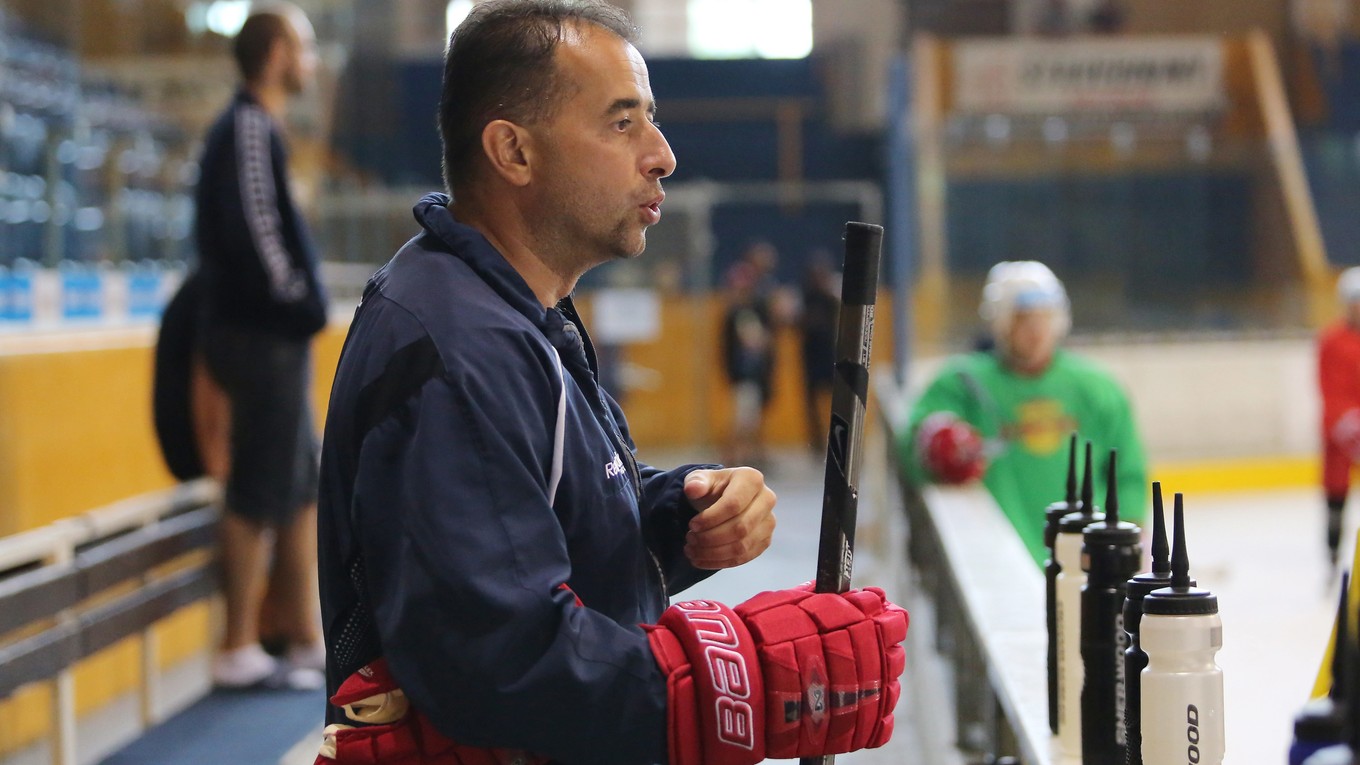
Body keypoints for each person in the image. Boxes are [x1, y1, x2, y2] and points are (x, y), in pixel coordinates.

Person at [314, 2, 908, 764]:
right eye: (622, 123)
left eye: (650, 120)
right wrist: (747, 676)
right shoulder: (459, 347)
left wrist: (677, 515)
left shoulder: (510, 309)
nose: (661, 154)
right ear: (513, 151)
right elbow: (503, 664)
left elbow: (534, 521)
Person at [194, 4, 329, 689]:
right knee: (256, 489)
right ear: (276, 54)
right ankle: (237, 643)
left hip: (276, 335)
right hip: (258, 334)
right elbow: (257, 230)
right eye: (303, 48)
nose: (310, 61)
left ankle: (304, 632)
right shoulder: (248, 125)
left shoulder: (262, 128)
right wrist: (299, 301)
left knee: (301, 481)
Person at [896, 261, 1147, 566]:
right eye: (1023, 319)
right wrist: (933, 442)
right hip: (995, 562)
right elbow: (913, 441)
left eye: (1045, 317)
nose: (1036, 330)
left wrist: (1126, 543)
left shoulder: (1097, 388)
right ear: (1000, 322)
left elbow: (1129, 473)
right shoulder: (964, 384)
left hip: (1083, 562)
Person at [1318, 267, 1360, 567]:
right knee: (1336, 493)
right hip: (1340, 431)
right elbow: (1328, 386)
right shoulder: (1331, 340)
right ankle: (1333, 555)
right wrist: (1345, 423)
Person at [720, 261, 775, 466]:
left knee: (751, 420)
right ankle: (734, 459)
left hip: (754, 375)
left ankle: (751, 457)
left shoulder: (752, 311)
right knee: (744, 421)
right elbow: (741, 345)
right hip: (744, 376)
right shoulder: (736, 314)